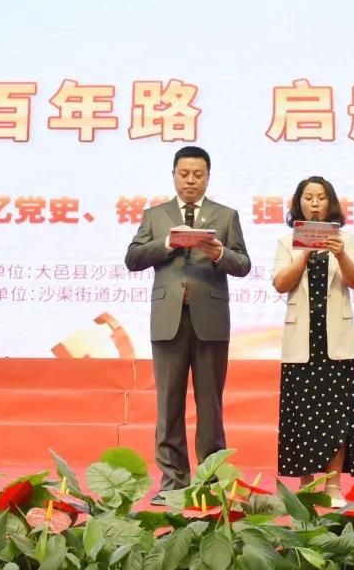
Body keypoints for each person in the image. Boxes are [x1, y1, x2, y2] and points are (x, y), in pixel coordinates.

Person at [125, 146, 251, 504]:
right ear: (173, 175)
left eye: (198, 175)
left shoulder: (225, 216)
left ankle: (209, 484)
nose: (191, 181)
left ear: (208, 177)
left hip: (210, 320)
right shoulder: (155, 216)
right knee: (169, 404)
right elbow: (133, 258)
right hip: (168, 320)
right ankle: (173, 484)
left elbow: (243, 264)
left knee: (210, 406)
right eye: (184, 174)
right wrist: (167, 242)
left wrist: (219, 253)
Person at [272, 176, 354, 508]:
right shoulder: (286, 242)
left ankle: (333, 486)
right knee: (302, 416)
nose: (315, 203)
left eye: (321, 197)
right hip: (302, 341)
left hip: (336, 341)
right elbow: (280, 284)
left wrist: (340, 256)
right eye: (309, 197)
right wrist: (303, 253)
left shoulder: (346, 240)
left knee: (338, 416)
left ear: (331, 204)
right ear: (298, 203)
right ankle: (307, 485)